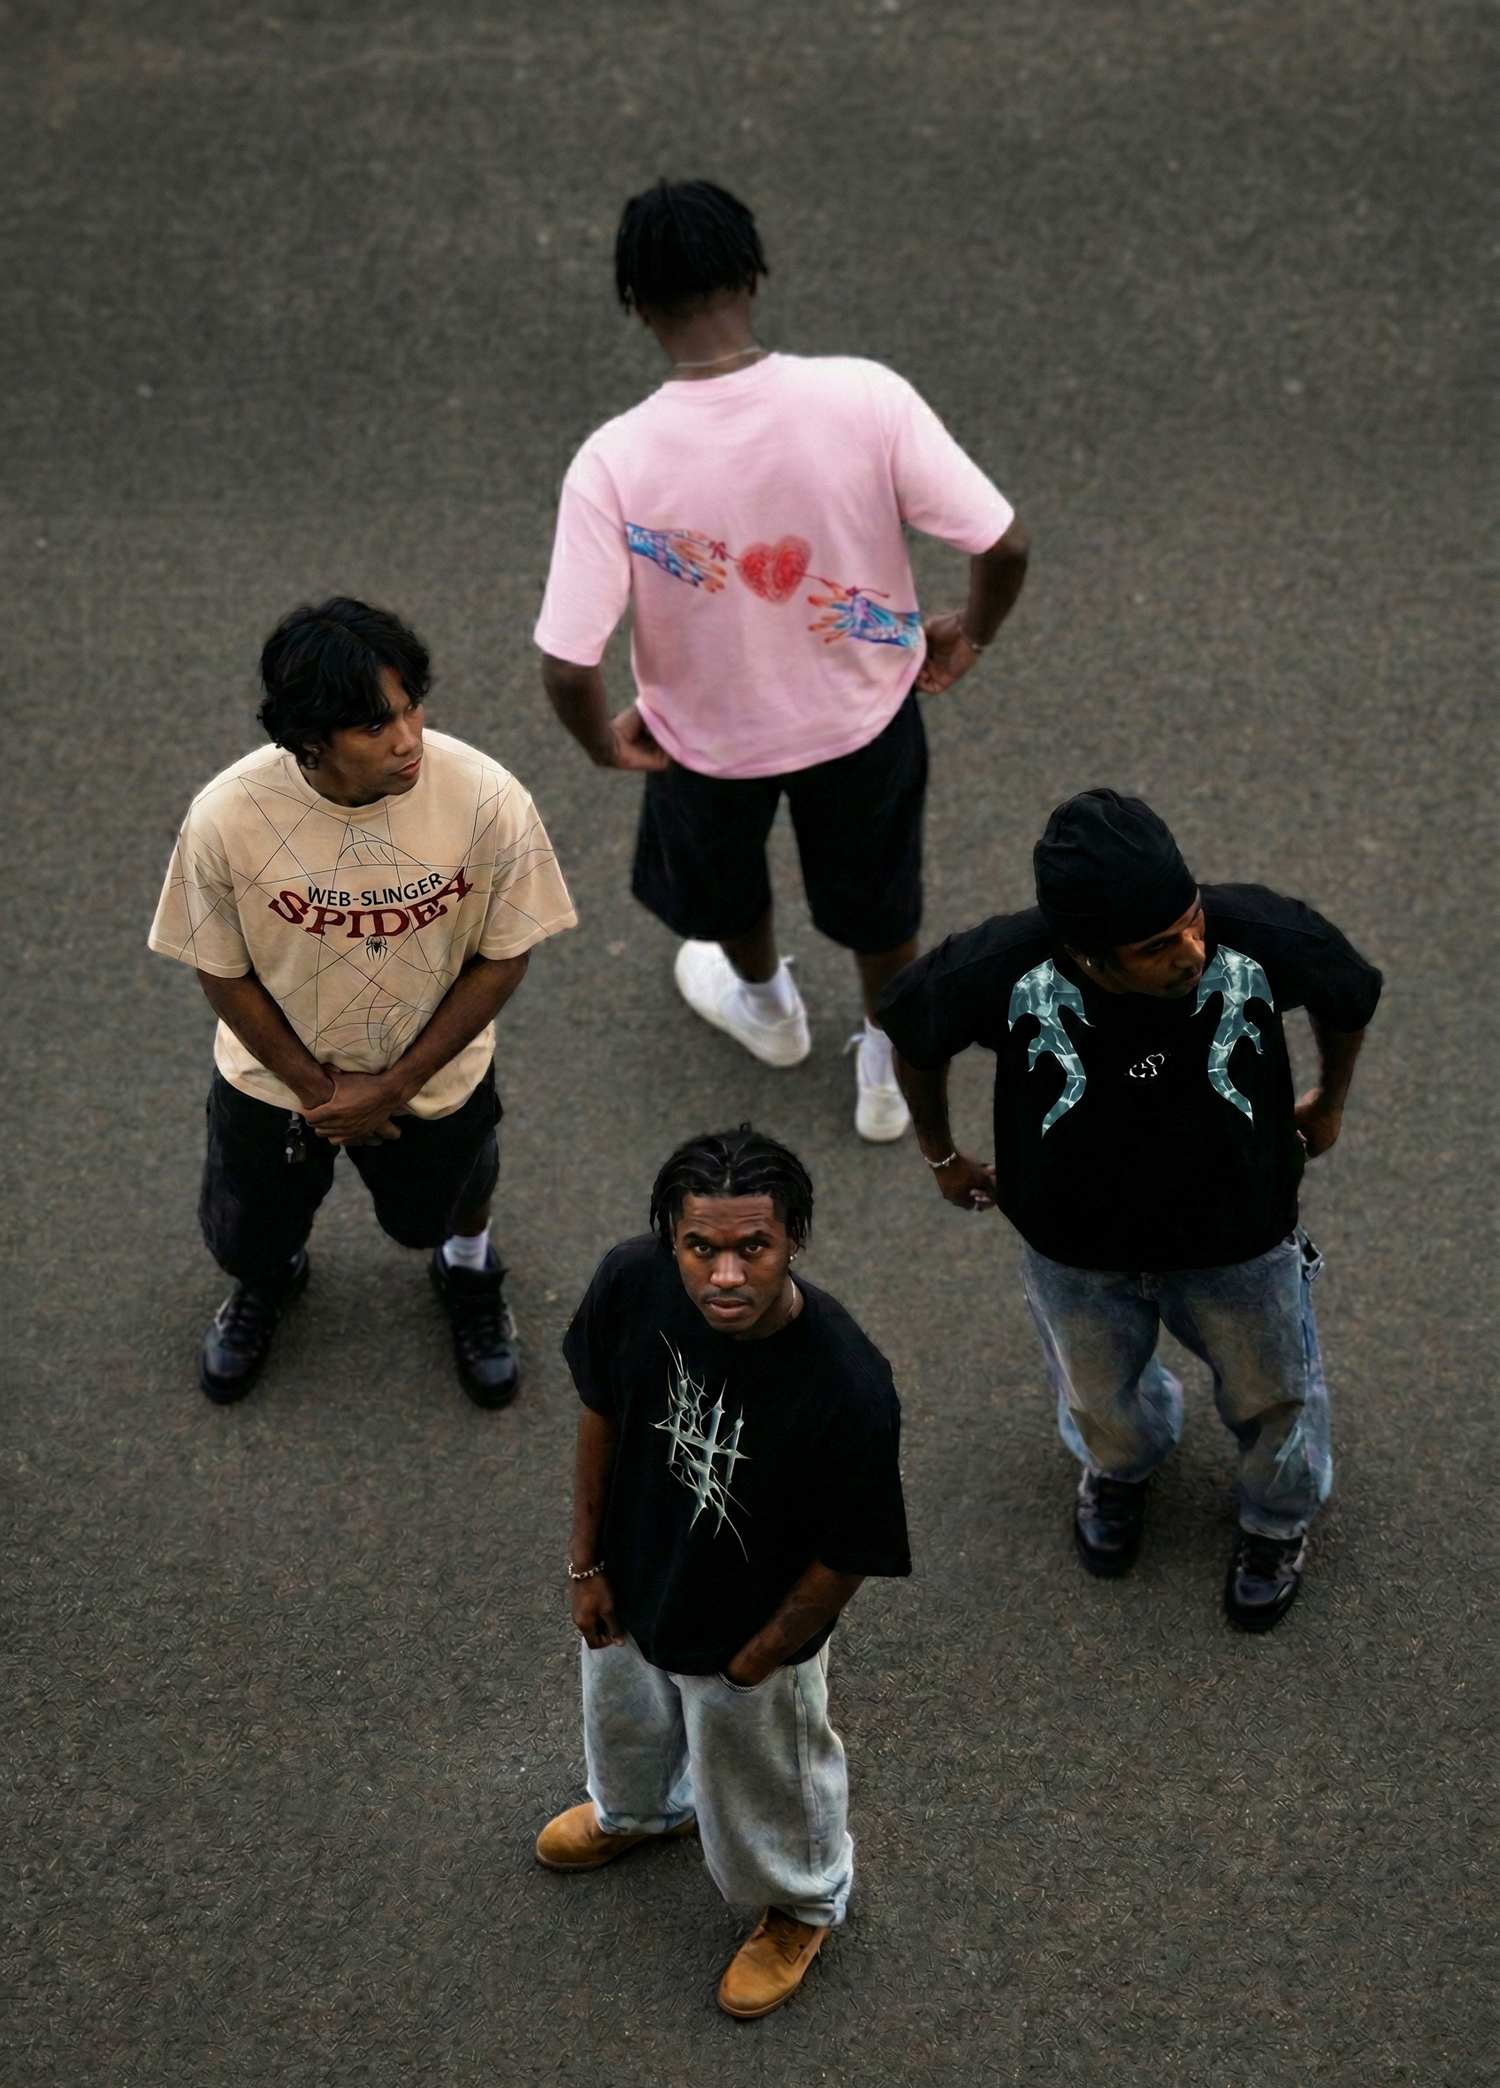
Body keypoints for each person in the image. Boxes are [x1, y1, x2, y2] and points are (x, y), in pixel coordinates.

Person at [535, 179, 1028, 1143]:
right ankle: (887, 1068)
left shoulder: (614, 459)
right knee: (880, 903)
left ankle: (766, 1008)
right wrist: (968, 634)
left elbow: (565, 660)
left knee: (722, 890)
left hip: (701, 746)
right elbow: (1003, 545)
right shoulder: (865, 396)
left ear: (635, 304)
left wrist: (602, 743)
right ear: (754, 276)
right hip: (867, 720)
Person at [877, 789, 1381, 1631]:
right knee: (1099, 1394)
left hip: (1241, 1242)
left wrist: (1329, 1098)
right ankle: (1123, 1467)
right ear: (1084, 956)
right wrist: (938, 1151)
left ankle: (1276, 1519)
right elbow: (912, 1030)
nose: (1189, 953)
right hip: (1076, 1251)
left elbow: (1349, 991)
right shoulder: (1003, 969)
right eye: (1155, 946)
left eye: (1191, 923)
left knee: (1278, 1392)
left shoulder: (1259, 935)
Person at [148, 597, 577, 1407]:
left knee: (445, 1207)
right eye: (375, 726)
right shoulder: (226, 818)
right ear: (311, 739)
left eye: (412, 707)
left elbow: (504, 953)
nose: (408, 738)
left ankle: (470, 1268)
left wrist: (396, 1085)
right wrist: (322, 1096)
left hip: (434, 1082)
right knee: (251, 1231)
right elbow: (220, 969)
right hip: (273, 1085)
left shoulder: (487, 798)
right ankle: (267, 1282)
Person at [536, 1127, 911, 2019]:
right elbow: (600, 1414)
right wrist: (587, 1565)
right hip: (632, 1585)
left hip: (751, 1631)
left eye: (754, 1247)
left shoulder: (847, 1384)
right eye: (701, 1248)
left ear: (793, 1242)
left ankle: (803, 1902)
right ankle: (640, 1813)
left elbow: (851, 1550)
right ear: (673, 1239)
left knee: (767, 1776)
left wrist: (759, 1659)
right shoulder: (632, 1282)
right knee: (620, 1724)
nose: (726, 1274)